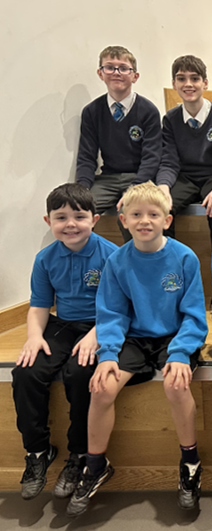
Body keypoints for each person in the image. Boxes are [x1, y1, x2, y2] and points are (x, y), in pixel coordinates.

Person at [66, 182, 207, 517]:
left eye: (153, 214)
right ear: (124, 220)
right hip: (134, 338)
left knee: (176, 385)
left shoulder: (184, 257)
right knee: (101, 388)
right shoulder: (117, 261)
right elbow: (112, 314)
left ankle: (190, 463)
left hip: (175, 337)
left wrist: (180, 353)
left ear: (167, 220)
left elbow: (194, 315)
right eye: (137, 214)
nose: (145, 220)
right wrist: (107, 355)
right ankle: (96, 465)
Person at [13, 184, 118, 500]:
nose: (70, 224)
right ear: (48, 222)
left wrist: (95, 335)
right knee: (26, 371)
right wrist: (34, 337)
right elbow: (39, 305)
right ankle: (37, 451)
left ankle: (80, 454)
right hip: (62, 326)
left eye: (79, 216)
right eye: (61, 217)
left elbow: (119, 307)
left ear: (94, 219)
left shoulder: (111, 255)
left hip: (101, 324)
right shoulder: (45, 259)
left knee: (80, 373)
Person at [157, 55, 212, 274]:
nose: (188, 84)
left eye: (194, 78)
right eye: (181, 79)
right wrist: (163, 186)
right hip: (184, 178)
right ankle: (170, 275)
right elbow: (169, 161)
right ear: (174, 84)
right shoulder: (171, 119)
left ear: (205, 83)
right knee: (161, 207)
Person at [76, 45, 162, 242]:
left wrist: (135, 186)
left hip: (140, 178)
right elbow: (87, 156)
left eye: (123, 68)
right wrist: (82, 189)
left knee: (131, 213)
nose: (116, 72)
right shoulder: (92, 111)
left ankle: (135, 258)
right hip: (108, 178)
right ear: (100, 73)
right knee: (79, 211)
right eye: (110, 67)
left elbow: (152, 157)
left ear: (135, 76)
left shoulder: (148, 111)